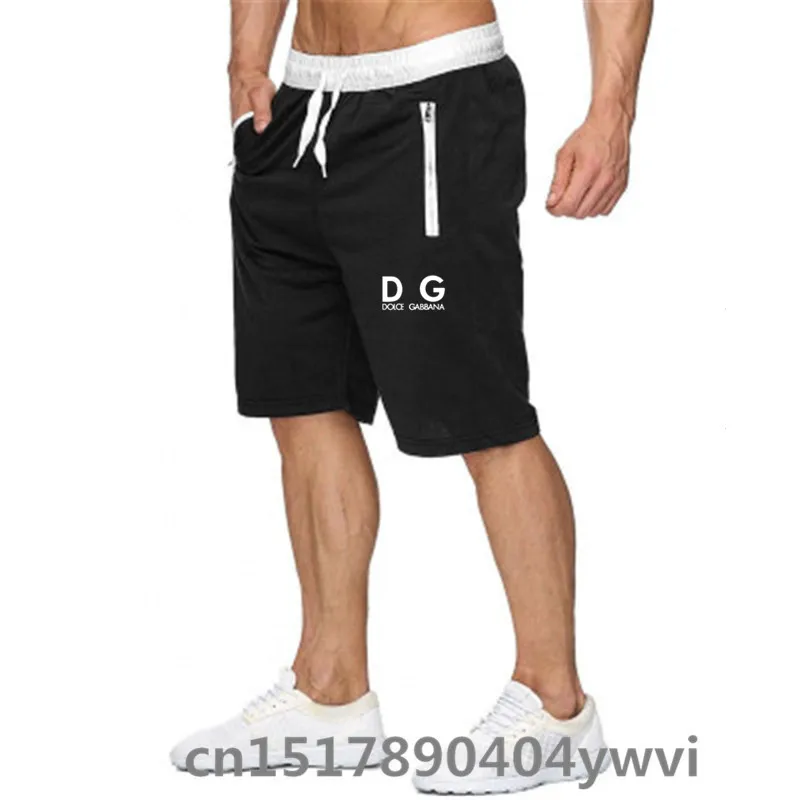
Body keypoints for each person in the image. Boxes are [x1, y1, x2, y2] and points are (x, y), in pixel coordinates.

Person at [171, 0, 652, 792]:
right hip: (294, 111)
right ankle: (329, 695)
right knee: (302, 402)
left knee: (482, 417)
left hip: (431, 99)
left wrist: (612, 109)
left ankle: (557, 708)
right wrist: (247, 58)